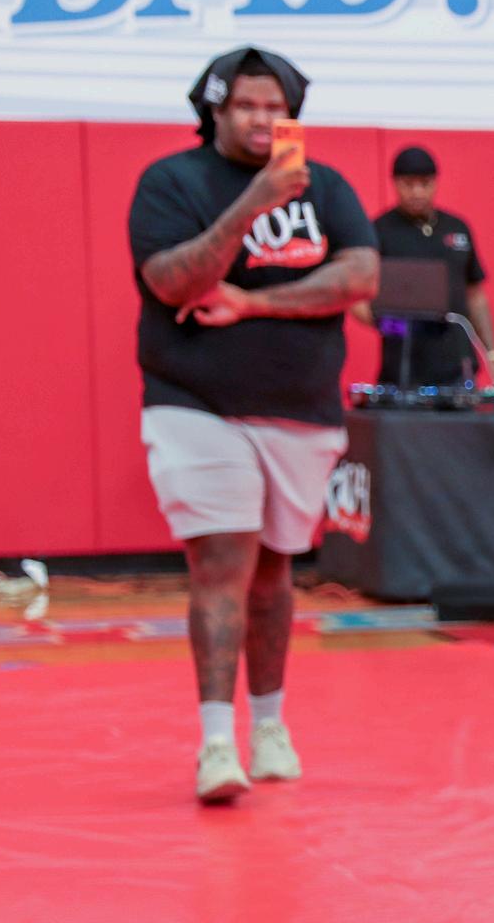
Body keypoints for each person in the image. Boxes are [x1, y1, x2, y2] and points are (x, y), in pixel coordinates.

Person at [129, 47, 379, 803]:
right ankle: (215, 743)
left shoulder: (325, 186)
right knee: (222, 561)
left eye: (275, 107)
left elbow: (361, 276)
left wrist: (253, 301)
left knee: (273, 572)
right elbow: (169, 281)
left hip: (299, 408)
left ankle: (269, 726)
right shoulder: (172, 182)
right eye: (246, 106)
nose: (262, 119)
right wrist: (253, 203)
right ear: (214, 110)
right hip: (195, 401)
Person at [361, 146, 494, 387]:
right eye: (408, 184)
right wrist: (389, 325)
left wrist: (492, 354)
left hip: (457, 366)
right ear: (395, 183)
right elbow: (356, 297)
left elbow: (476, 297)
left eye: (424, 184)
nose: (417, 192)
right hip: (403, 366)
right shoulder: (379, 231)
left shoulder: (457, 228)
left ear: (435, 183)